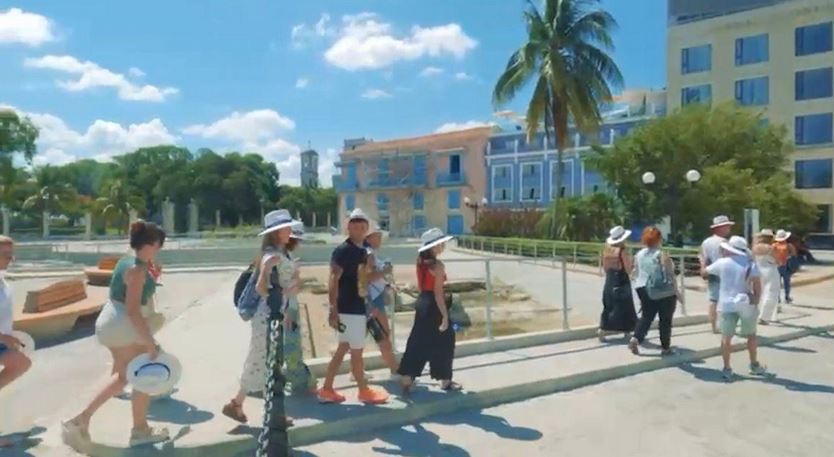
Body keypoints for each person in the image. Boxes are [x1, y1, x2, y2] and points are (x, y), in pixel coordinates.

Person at [63, 221, 169, 448]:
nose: (160, 249)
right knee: (144, 372)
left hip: (109, 322)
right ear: (152, 244)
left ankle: (81, 420)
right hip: (123, 324)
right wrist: (150, 342)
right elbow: (133, 310)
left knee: (123, 377)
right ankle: (140, 430)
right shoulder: (138, 270)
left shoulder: (127, 261)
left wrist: (152, 274)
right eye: (159, 245)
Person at [223, 209, 297, 424]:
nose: (290, 231)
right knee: (265, 361)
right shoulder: (272, 256)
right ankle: (271, 412)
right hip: (268, 315)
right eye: (286, 228)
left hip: (274, 313)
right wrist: (283, 293)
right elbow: (261, 287)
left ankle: (239, 403)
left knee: (262, 360)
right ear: (276, 232)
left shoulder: (279, 253)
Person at [318, 208, 389, 404]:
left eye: (362, 227)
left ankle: (327, 389)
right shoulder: (344, 251)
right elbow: (333, 279)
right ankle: (363, 390)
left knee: (343, 349)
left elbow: (362, 281)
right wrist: (333, 308)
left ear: (366, 229)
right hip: (349, 309)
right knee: (356, 352)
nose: (359, 230)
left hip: (354, 307)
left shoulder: (360, 251)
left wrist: (368, 304)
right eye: (355, 226)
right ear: (348, 228)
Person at [398, 228, 461, 393]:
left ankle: (407, 377)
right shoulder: (438, 266)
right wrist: (445, 316)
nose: (443, 246)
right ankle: (445, 380)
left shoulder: (420, 262)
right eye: (440, 243)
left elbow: (422, 287)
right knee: (446, 340)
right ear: (433, 246)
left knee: (418, 340)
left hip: (422, 302)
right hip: (434, 304)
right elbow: (438, 293)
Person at [705, 236, 768, 381]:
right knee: (751, 335)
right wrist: (756, 301)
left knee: (726, 338)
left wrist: (704, 261)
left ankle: (727, 368)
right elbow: (757, 286)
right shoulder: (750, 264)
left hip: (726, 304)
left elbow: (704, 272)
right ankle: (754, 364)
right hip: (745, 303)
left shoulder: (722, 262)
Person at [628, 226, 682, 356]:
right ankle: (665, 347)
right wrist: (677, 292)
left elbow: (635, 272)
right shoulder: (661, 254)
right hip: (662, 290)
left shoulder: (639, 254)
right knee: (665, 319)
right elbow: (670, 274)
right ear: (659, 239)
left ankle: (636, 338)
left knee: (646, 316)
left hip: (642, 287)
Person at [0, 236, 33, 449]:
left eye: (11, 255)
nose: (10, 259)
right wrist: (4, 337)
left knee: (21, 363)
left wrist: (9, 335)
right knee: (20, 363)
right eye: (5, 255)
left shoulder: (2, 279)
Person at [282, 222, 317, 395]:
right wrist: (296, 275)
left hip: (289, 306)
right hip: (288, 309)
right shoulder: (282, 258)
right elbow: (287, 287)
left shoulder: (285, 256)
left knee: (292, 348)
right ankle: (301, 383)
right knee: (292, 348)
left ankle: (299, 381)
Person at [364, 222, 399, 378]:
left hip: (368, 299)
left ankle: (356, 371)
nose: (380, 239)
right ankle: (394, 370)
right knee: (383, 335)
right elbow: (367, 277)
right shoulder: (369, 254)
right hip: (373, 300)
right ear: (369, 237)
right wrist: (385, 271)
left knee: (360, 338)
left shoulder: (366, 252)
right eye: (378, 236)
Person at [598, 226, 637, 341]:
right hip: (621, 279)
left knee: (609, 305)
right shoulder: (622, 251)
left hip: (610, 279)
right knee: (625, 306)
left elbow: (605, 268)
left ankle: (603, 329)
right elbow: (628, 268)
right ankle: (627, 330)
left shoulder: (607, 251)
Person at [700, 215, 734, 334]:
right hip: (725, 273)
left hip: (711, 271)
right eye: (727, 226)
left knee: (713, 300)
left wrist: (703, 269)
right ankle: (726, 325)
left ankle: (713, 326)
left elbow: (703, 257)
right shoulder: (725, 242)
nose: (729, 228)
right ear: (721, 228)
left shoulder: (706, 242)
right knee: (727, 301)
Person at [752, 229, 780, 324]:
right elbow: (777, 260)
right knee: (771, 293)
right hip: (770, 269)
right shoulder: (770, 248)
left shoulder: (755, 247)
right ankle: (764, 316)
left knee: (759, 292)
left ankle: (755, 313)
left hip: (758, 269)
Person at [772, 229, 796, 304]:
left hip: (776, 265)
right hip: (786, 265)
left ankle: (777, 298)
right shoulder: (789, 245)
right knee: (787, 283)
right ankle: (787, 297)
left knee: (777, 283)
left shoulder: (774, 246)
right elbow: (794, 254)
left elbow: (771, 255)